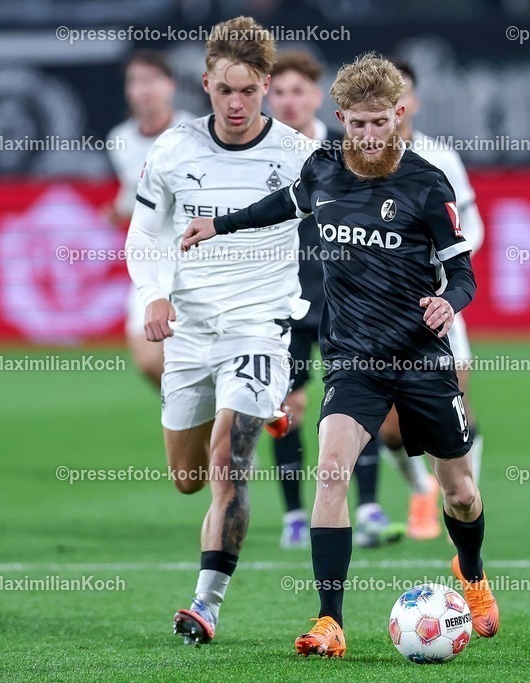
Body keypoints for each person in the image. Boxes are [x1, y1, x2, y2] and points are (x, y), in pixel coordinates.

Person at [182, 53, 499, 659]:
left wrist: (447, 304)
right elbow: (280, 205)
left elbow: (463, 273)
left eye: (380, 122)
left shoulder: (429, 184)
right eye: (357, 124)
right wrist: (217, 225)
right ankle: (330, 621)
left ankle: (473, 574)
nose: (368, 136)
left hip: (420, 359)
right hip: (353, 357)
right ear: (341, 118)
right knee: (332, 471)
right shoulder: (323, 168)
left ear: (399, 115)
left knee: (458, 490)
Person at [124, 16, 309, 646]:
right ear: (205, 83)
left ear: (265, 85)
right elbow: (144, 235)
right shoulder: (173, 150)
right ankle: (266, 410)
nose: (237, 104)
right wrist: (153, 295)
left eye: (249, 90)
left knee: (230, 459)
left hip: (259, 326)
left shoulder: (297, 155)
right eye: (225, 89)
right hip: (190, 332)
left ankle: (205, 604)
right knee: (188, 477)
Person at [265, 50, 396, 550]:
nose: (289, 100)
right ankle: (296, 516)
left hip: (346, 298)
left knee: (356, 401)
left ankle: (367, 508)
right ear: (269, 97)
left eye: (299, 91)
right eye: (280, 92)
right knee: (288, 407)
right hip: (286, 298)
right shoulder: (262, 154)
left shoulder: (351, 152)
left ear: (318, 98)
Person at [376, 59, 487, 540]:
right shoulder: (353, 162)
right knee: (391, 430)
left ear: (412, 103)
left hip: (436, 304)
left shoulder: (441, 159)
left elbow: (470, 224)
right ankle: (421, 487)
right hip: (378, 314)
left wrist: (449, 265)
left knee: (454, 408)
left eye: (402, 95)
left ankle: (462, 499)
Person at [106, 50, 193, 386]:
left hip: (193, 260)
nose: (143, 90)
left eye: (151, 80)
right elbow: (134, 192)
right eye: (135, 81)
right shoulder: (120, 140)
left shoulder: (192, 134)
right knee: (147, 360)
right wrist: (118, 209)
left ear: (169, 85)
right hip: (150, 260)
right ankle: (199, 414)